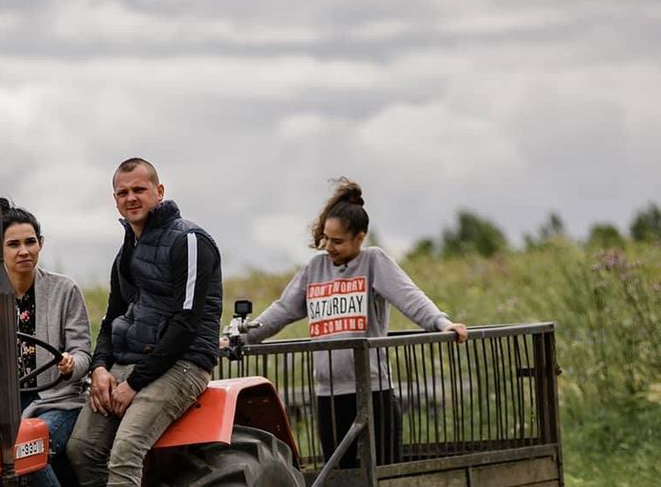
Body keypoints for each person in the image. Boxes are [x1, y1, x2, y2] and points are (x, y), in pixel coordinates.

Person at [237, 179, 467, 468]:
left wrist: (442, 323)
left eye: (337, 241)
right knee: (338, 474)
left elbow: (411, 297)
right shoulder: (315, 268)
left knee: (383, 471)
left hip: (372, 391)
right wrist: (241, 339)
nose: (328, 247)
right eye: (326, 239)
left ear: (360, 238)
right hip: (329, 394)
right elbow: (282, 310)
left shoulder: (374, 262)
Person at [66, 158, 223, 487]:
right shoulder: (125, 252)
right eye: (123, 193)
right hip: (129, 362)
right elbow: (111, 318)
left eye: (139, 189)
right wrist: (99, 368)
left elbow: (186, 323)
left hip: (182, 363)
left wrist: (135, 383)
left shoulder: (190, 241)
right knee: (81, 449)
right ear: (115, 200)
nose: (131, 198)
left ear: (159, 191)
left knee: (125, 451)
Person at [0, 198, 92, 487]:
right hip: (5, 406)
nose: (24, 251)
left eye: (30, 242)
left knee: (24, 448)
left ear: (41, 244)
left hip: (57, 402)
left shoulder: (65, 290)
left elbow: (83, 353)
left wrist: (70, 364)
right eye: (13, 244)